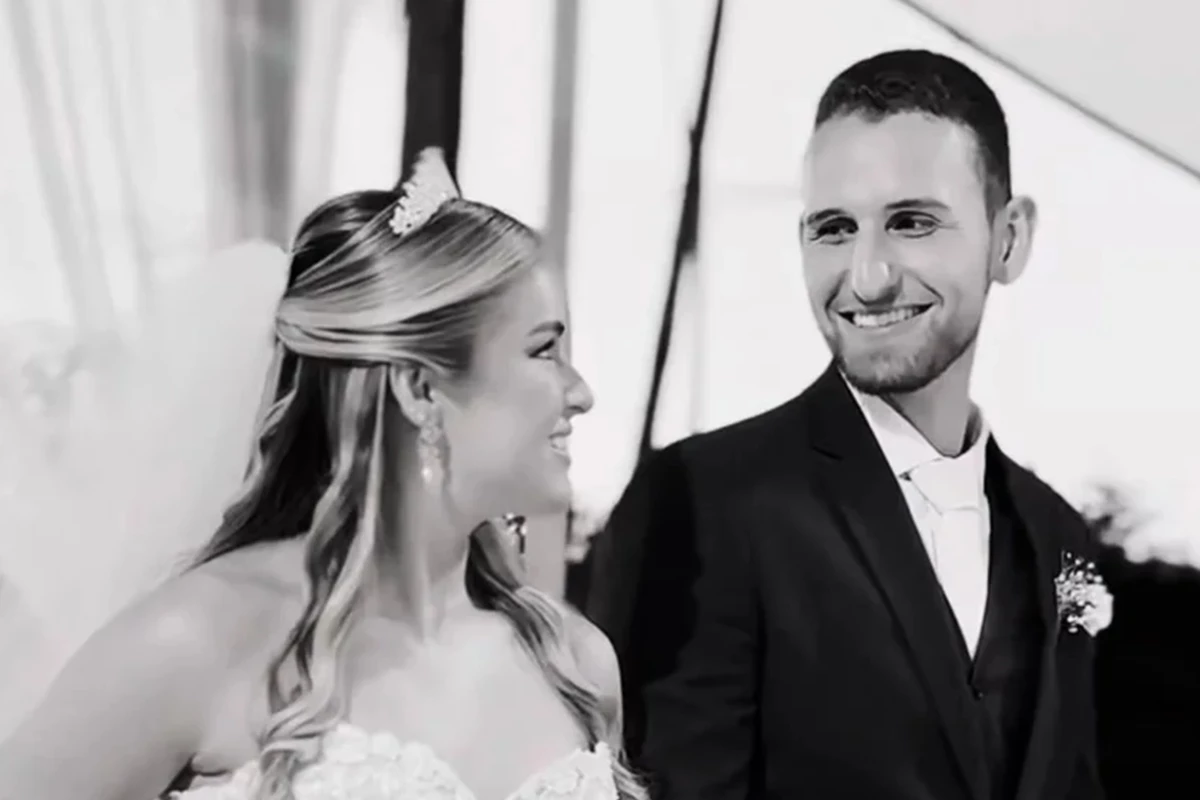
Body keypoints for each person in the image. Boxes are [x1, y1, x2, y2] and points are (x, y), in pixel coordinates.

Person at [0, 149, 645, 800]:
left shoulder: (575, 664)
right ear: (420, 388)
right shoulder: (199, 640)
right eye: (544, 351)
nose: (581, 393)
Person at [586, 50, 1107, 800]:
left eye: (912, 222)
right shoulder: (702, 502)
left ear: (1009, 239)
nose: (867, 277)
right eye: (833, 229)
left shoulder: (1057, 534)